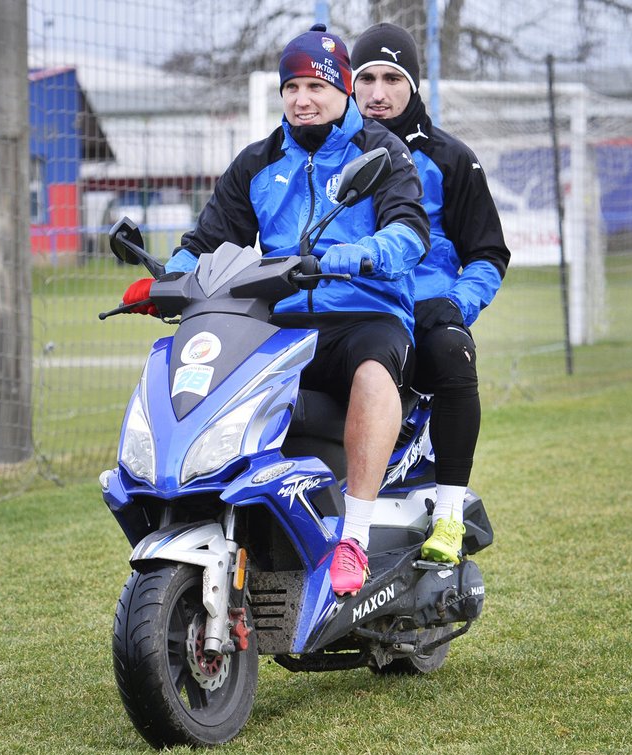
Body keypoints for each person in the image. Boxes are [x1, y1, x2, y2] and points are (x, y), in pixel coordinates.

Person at [122, 24, 430, 597]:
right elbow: (208, 240)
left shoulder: (381, 152)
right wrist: (164, 279)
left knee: (371, 371)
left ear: (343, 91)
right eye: (291, 87)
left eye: (315, 85)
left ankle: (354, 538)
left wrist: (352, 257)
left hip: (364, 315)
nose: (301, 98)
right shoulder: (257, 162)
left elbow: (409, 233)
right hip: (280, 317)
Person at [350, 23, 510, 564]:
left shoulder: (451, 158)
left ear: (413, 85)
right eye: (366, 77)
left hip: (426, 310)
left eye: (392, 78)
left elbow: (489, 254)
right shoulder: (329, 153)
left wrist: (456, 304)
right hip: (354, 308)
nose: (377, 92)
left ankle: (447, 514)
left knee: (451, 350)